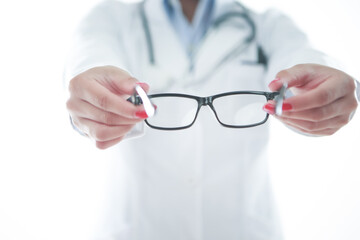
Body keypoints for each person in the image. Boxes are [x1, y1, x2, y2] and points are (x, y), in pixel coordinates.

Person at [64, 0, 359, 239]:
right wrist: (91, 98)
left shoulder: (266, 26)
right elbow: (90, 56)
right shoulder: (112, 19)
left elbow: (303, 57)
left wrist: (325, 87)